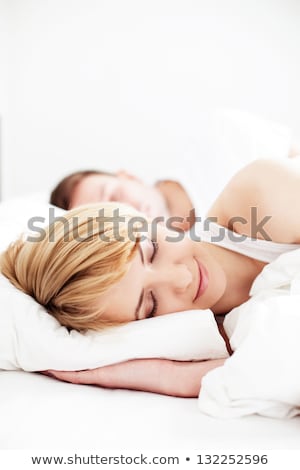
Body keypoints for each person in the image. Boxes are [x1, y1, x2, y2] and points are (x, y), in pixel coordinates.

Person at [2, 158, 300, 398]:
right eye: (152, 304)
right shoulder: (215, 339)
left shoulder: (260, 196)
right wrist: (165, 376)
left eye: (152, 248)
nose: (182, 279)